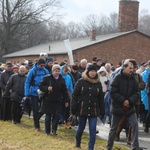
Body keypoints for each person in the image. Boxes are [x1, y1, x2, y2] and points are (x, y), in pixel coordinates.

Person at [106, 60, 143, 150]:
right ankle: (109, 147)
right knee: (113, 129)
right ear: (124, 68)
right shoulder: (117, 78)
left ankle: (135, 147)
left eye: (132, 68)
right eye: (129, 68)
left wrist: (129, 101)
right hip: (118, 107)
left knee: (135, 125)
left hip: (130, 108)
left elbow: (136, 92)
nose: (131, 70)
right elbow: (113, 91)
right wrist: (123, 101)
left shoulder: (133, 79)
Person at [71, 64, 105, 150]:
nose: (93, 73)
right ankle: (78, 143)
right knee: (81, 128)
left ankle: (91, 148)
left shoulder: (98, 83)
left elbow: (101, 98)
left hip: (94, 109)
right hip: (82, 109)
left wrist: (102, 110)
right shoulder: (81, 82)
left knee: (93, 130)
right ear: (88, 72)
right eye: (91, 71)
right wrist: (73, 109)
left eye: (94, 71)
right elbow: (74, 96)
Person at [38, 64, 69, 135]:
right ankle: (47, 131)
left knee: (57, 116)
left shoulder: (62, 79)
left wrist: (66, 100)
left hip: (58, 100)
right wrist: (47, 88)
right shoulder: (47, 78)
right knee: (48, 116)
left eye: (58, 71)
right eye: (55, 71)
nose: (57, 72)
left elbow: (64, 91)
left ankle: (54, 130)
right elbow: (40, 86)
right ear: (52, 71)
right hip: (48, 100)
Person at [24, 58, 49, 130]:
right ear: (38, 64)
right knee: (35, 109)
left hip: (43, 92)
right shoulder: (32, 71)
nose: (43, 66)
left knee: (43, 109)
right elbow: (27, 82)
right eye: (41, 65)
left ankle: (37, 120)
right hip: (34, 92)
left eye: (44, 65)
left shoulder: (45, 71)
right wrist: (27, 93)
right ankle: (36, 125)